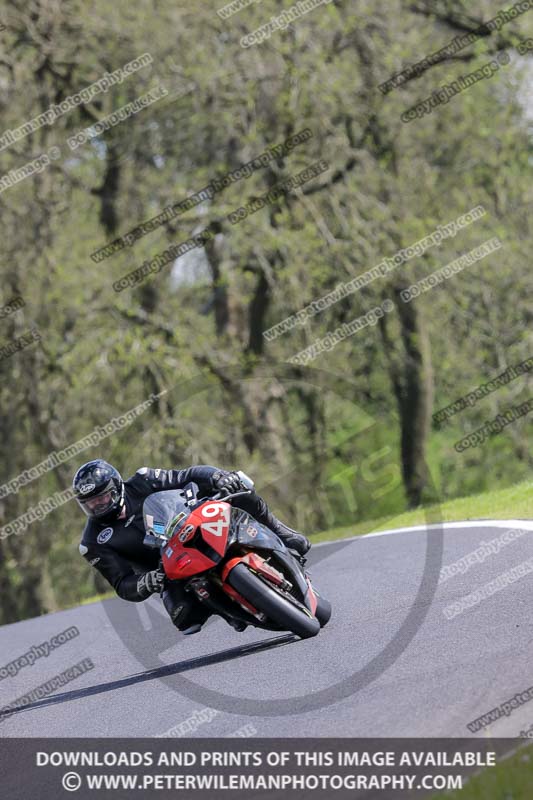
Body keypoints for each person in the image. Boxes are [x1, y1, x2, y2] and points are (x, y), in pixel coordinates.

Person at [74, 459, 310, 635]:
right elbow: (121, 583)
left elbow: (188, 474)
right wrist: (146, 582)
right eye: (89, 503)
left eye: (102, 497)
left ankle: (281, 532)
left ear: (117, 488)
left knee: (241, 490)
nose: (97, 506)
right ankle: (228, 609)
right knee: (185, 618)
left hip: (192, 526)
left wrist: (217, 477)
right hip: (167, 569)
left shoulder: (143, 480)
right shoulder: (92, 542)